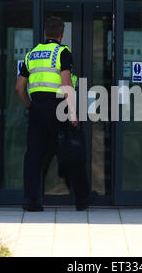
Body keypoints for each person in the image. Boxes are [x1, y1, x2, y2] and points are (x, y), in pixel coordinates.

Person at [15, 16, 97, 211]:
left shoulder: (32, 54)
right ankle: (82, 199)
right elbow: (66, 83)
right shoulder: (62, 53)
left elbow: (19, 87)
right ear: (61, 34)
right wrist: (73, 113)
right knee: (71, 151)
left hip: (37, 107)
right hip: (58, 107)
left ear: (45, 33)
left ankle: (31, 201)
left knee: (33, 155)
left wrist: (30, 107)